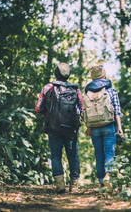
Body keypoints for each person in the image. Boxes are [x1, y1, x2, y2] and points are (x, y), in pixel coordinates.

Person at [35, 63, 83, 194]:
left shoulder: (48, 87)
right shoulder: (75, 89)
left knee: (56, 156)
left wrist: (48, 112)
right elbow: (82, 108)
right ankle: (74, 186)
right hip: (71, 129)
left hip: (53, 127)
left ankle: (60, 184)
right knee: (73, 156)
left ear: (56, 73)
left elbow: (38, 108)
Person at [84, 65, 123, 190]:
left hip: (94, 127)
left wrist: (88, 127)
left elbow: (84, 111)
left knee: (99, 154)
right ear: (104, 76)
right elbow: (116, 110)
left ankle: (101, 182)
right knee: (109, 152)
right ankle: (108, 175)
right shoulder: (111, 91)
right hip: (109, 125)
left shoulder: (88, 92)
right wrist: (119, 127)